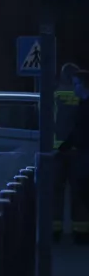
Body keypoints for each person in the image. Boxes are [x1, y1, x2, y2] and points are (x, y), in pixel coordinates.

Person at [53, 63, 86, 242]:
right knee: (80, 193)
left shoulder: (54, 95)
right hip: (78, 151)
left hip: (55, 151)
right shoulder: (82, 95)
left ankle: (53, 230)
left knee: (55, 193)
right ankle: (81, 231)